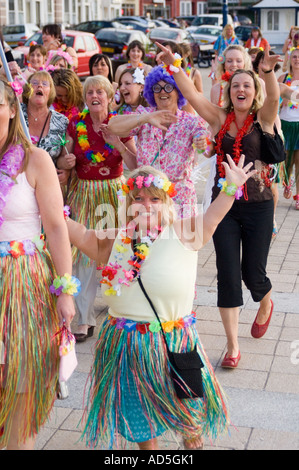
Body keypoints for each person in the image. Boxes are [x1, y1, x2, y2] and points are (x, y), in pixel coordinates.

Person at [65, 161, 256, 450]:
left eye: (155, 199)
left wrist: (231, 186)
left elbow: (213, 217)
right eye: (138, 199)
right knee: (141, 419)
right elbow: (79, 235)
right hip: (127, 344)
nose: (146, 206)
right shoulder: (114, 238)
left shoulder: (184, 232)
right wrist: (48, 206)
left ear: (166, 201)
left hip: (175, 342)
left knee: (189, 417)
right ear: (128, 203)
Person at [156, 42, 281, 368]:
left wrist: (266, 73)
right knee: (227, 273)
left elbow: (274, 98)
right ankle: (232, 345)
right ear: (229, 91)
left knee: (252, 274)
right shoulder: (219, 117)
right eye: (235, 85)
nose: (241, 89)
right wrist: (175, 65)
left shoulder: (263, 119)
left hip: (259, 204)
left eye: (247, 85)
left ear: (253, 92)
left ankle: (265, 299)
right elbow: (194, 96)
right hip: (223, 205)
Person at [0, 77, 76, 450]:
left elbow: (57, 229)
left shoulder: (35, 159)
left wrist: (65, 291)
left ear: (13, 109)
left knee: (21, 382)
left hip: (23, 282)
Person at [56, 75, 136, 342]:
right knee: (84, 256)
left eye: (100, 91)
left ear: (109, 95)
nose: (95, 95)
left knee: (117, 251)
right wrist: (65, 162)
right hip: (84, 192)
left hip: (113, 192)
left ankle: (124, 308)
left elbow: (135, 164)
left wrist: (118, 144)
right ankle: (84, 318)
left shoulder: (120, 123)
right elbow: (65, 161)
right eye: (90, 91)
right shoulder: (76, 124)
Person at [108, 65, 210, 218]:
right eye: (157, 87)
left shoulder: (191, 121)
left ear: (178, 91)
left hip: (180, 202)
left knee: (179, 242)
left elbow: (206, 144)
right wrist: (145, 118)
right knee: (145, 242)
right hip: (146, 200)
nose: (163, 91)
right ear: (151, 92)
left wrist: (202, 141)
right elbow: (112, 126)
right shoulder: (144, 115)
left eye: (169, 87)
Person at [278, 47, 299, 209]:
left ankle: (298, 195)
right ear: (290, 59)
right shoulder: (283, 78)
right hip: (285, 124)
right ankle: (286, 183)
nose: (297, 60)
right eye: (294, 57)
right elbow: (272, 103)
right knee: (286, 161)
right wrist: (281, 103)